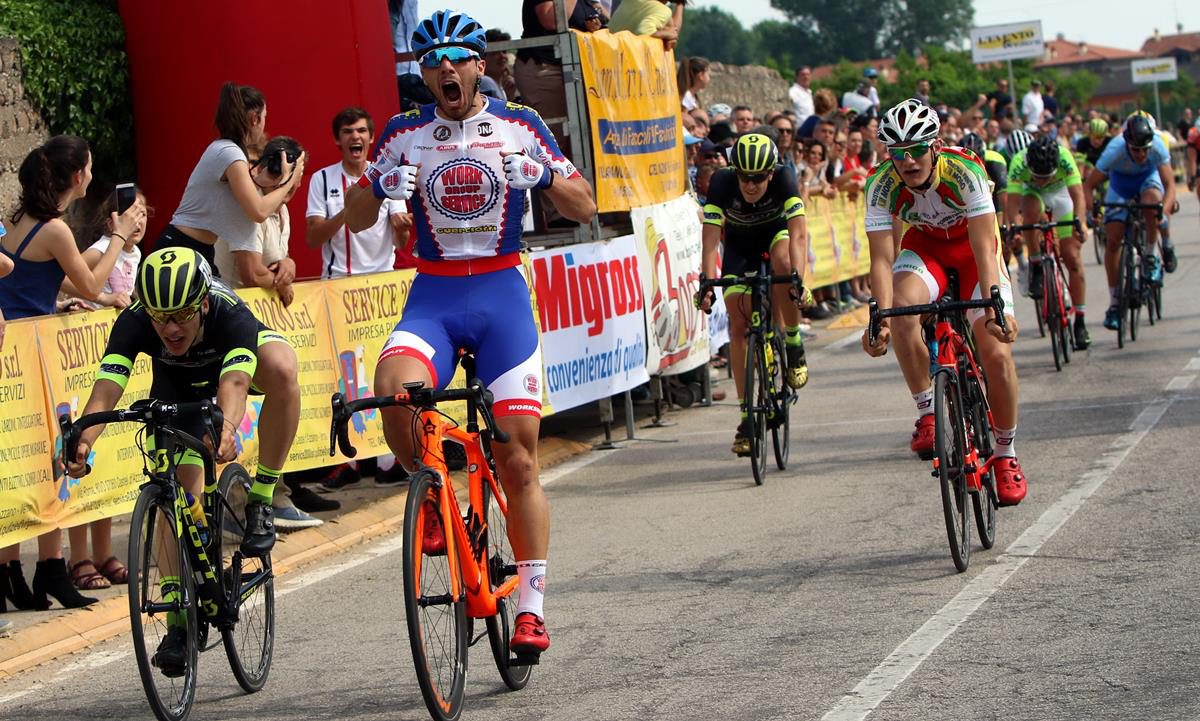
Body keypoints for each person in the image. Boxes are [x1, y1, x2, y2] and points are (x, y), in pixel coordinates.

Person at [344, 10, 596, 661]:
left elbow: (585, 202)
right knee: (393, 392)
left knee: (516, 457)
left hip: (502, 294)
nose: (445, 71)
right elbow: (352, 214)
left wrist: (542, 177)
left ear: (480, 64)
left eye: (457, 59)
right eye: (432, 63)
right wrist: (376, 186)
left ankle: (533, 608)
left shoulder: (520, 125)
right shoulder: (404, 131)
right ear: (423, 73)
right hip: (433, 293)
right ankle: (428, 494)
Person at [65, 247, 300, 672]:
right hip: (176, 390)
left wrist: (228, 427)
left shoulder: (229, 314)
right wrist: (84, 438)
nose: (170, 328)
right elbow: (106, 388)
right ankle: (177, 620)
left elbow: (235, 380)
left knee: (283, 366)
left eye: (181, 316)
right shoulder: (136, 320)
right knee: (176, 494)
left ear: (203, 303)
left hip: (231, 369)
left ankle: (262, 496)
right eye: (160, 317)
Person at [0, 136, 146, 610]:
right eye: (89, 166)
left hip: (18, 346)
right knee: (52, 457)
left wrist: (91, 299)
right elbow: (87, 277)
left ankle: (23, 573)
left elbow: (43, 276)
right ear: (78, 176)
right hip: (33, 352)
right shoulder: (57, 228)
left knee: (22, 463)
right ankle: (47, 570)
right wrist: (120, 236)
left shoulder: (16, 219)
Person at [861, 99, 1027, 506]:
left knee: (997, 352)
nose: (908, 160)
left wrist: (995, 306)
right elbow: (881, 258)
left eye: (917, 149)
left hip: (973, 254)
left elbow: (986, 248)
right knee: (902, 313)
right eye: (898, 153)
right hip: (927, 251)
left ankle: (1005, 454)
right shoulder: (880, 183)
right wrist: (879, 316)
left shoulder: (964, 170)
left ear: (934, 145)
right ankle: (928, 412)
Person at [697, 133, 809, 454]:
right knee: (738, 323)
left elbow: (799, 234)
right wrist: (707, 280)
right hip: (739, 244)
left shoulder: (785, 178)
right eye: (745, 177)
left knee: (784, 262)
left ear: (771, 173)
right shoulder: (721, 182)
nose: (750, 185)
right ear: (736, 172)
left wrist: (797, 278)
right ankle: (746, 416)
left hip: (777, 235)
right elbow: (710, 239)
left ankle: (792, 340)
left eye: (759, 178)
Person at [158, 82, 305, 276]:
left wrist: (269, 180)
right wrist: (289, 177)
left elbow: (246, 197)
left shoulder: (227, 151)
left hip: (200, 252)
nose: (263, 126)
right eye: (264, 119)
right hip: (180, 250)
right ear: (254, 119)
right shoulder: (229, 153)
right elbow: (259, 211)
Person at [1083, 114, 1177, 332]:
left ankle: (1152, 256)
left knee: (1152, 204)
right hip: (1120, 186)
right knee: (1113, 240)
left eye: (1145, 149)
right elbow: (1088, 186)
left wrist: (1163, 210)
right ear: (1127, 144)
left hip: (1148, 181)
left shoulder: (1158, 147)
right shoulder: (1114, 150)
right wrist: (1092, 211)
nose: (1142, 154)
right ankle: (1115, 303)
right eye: (1136, 150)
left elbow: (1169, 185)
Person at [1007, 135, 1090, 350]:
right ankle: (1035, 264)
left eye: (1046, 176)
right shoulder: (1018, 162)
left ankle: (1080, 320)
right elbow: (1013, 203)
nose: (1042, 179)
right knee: (1029, 212)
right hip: (1032, 195)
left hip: (1062, 196)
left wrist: (1079, 224)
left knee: (1072, 258)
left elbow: (1078, 195)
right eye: (1038, 176)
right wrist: (1014, 228)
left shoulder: (1064, 158)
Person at [677, 57, 710, 133]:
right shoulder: (685, 97)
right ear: (701, 75)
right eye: (708, 73)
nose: (709, 77)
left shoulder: (692, 96)